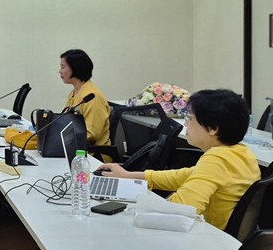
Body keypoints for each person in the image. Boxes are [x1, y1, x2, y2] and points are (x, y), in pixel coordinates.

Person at [96, 89, 260, 230]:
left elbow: (180, 210)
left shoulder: (217, 159)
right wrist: (128, 176)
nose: (186, 124)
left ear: (212, 128)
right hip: (222, 241)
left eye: (189, 118)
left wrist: (137, 205)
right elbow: (181, 176)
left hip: (206, 241)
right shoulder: (241, 153)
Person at [59, 49, 109, 146]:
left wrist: (62, 139)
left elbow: (91, 134)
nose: (60, 71)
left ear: (75, 68)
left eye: (63, 67)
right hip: (73, 146)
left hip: (92, 152)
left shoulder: (92, 96)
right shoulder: (73, 93)